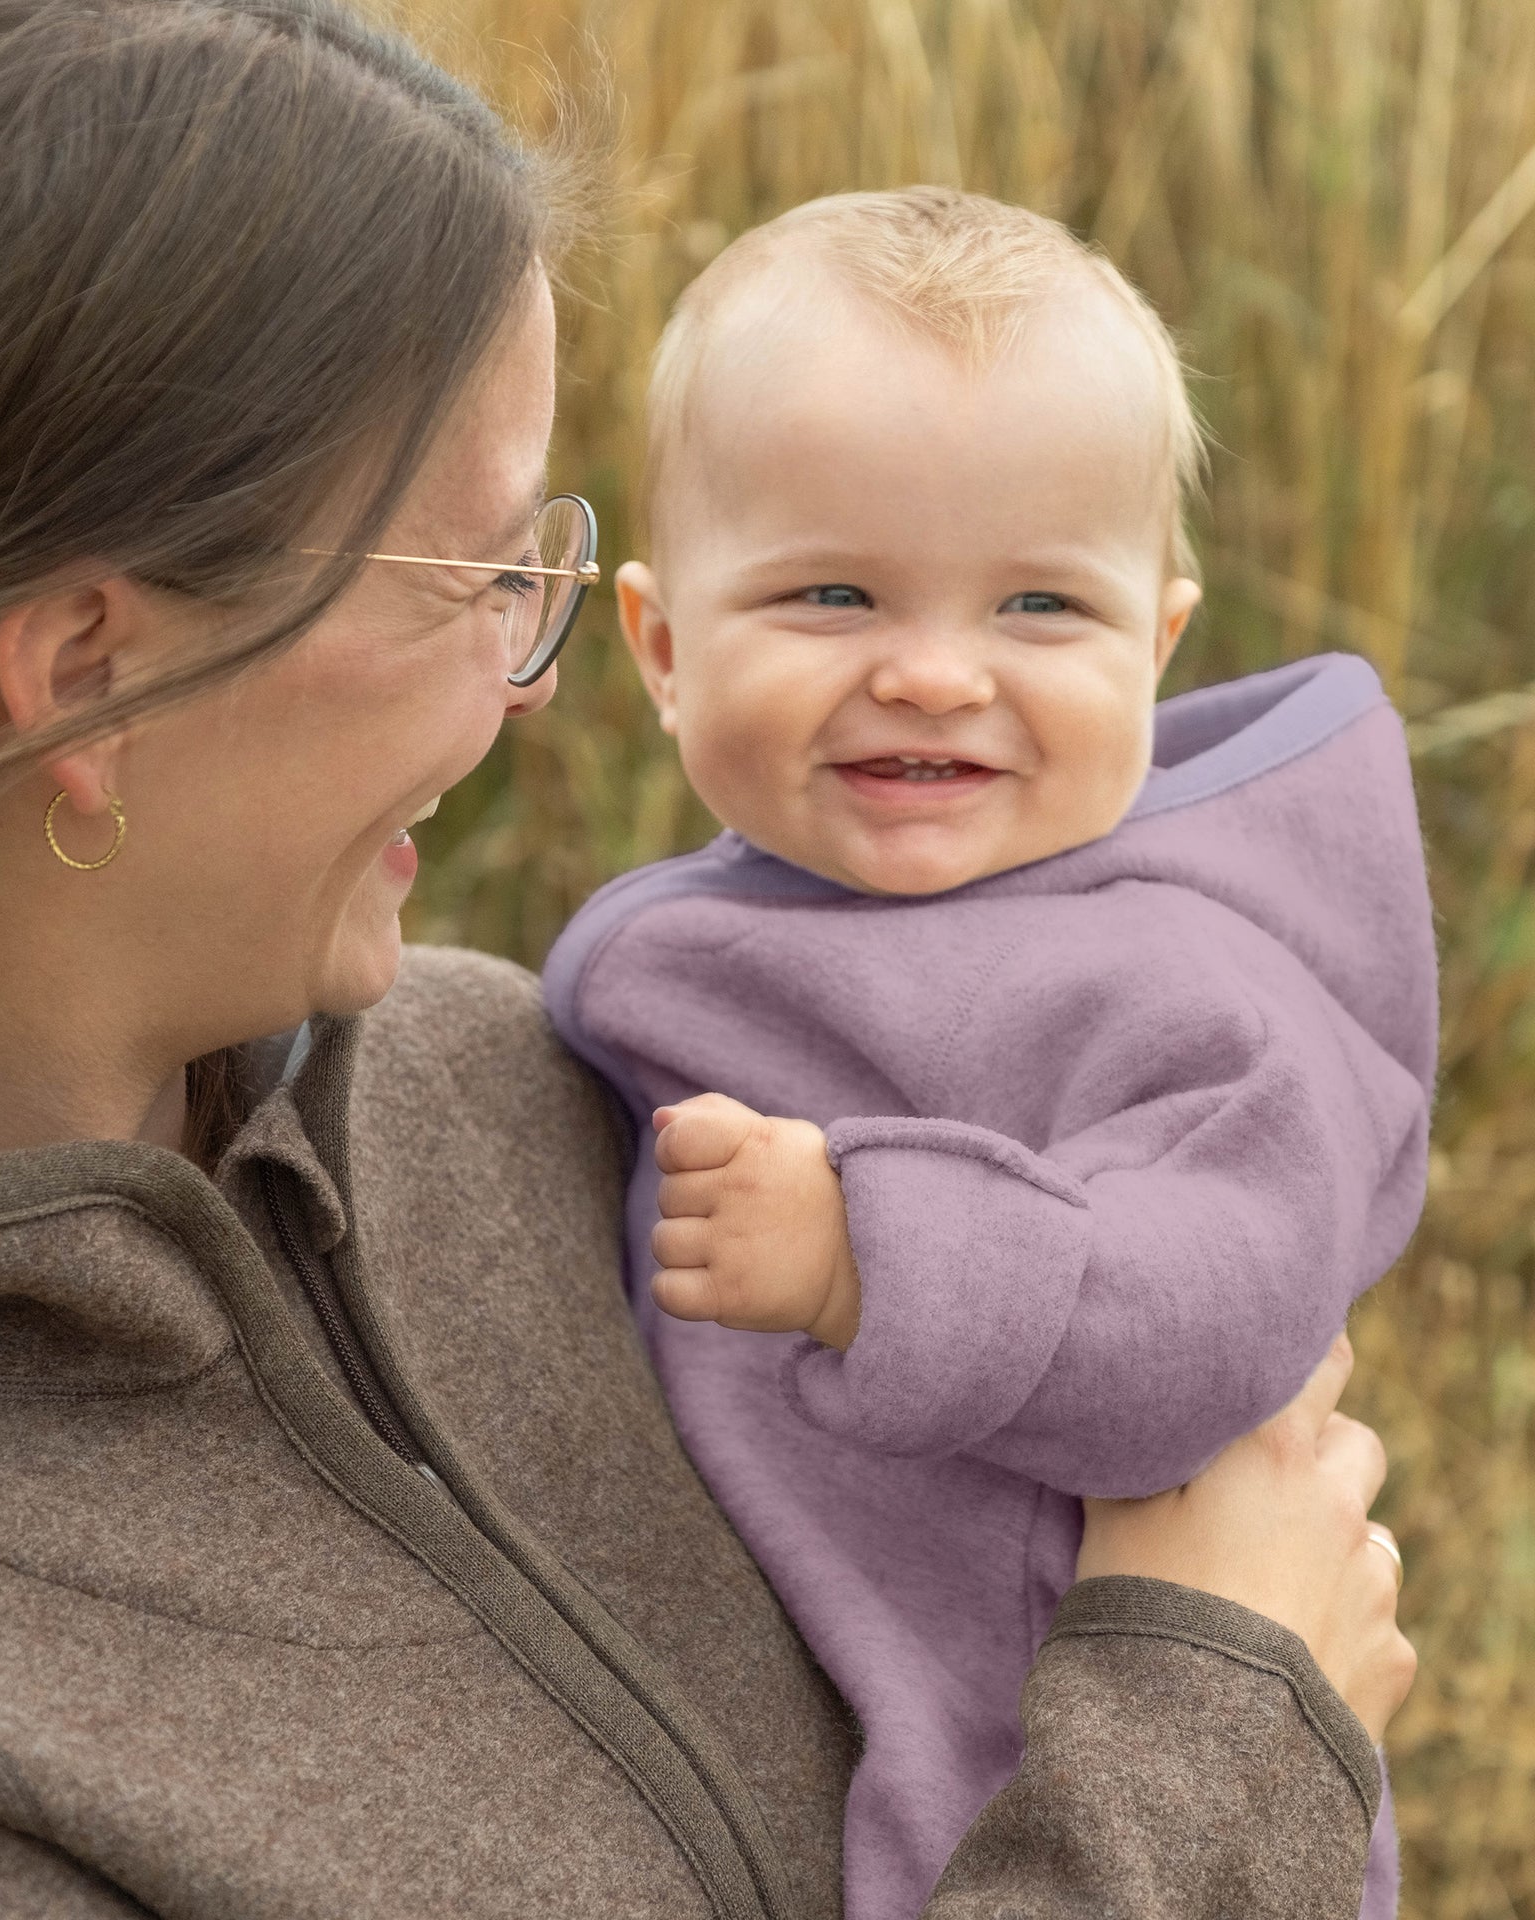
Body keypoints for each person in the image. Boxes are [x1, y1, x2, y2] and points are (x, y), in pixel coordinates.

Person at [0, 3, 1413, 1916]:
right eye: (477, 582)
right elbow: (1210, 1650)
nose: (531, 688)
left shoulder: (540, 1087)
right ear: (88, 670)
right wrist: (1223, 1720)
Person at [541, 190, 1435, 1920]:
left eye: (1038, 605)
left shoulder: (1187, 975)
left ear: (1157, 644)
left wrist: (874, 1254)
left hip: (1054, 1717)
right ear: (662, 647)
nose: (937, 675)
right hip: (776, 1700)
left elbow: (1214, 1312)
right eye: (832, 594)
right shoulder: (717, 941)